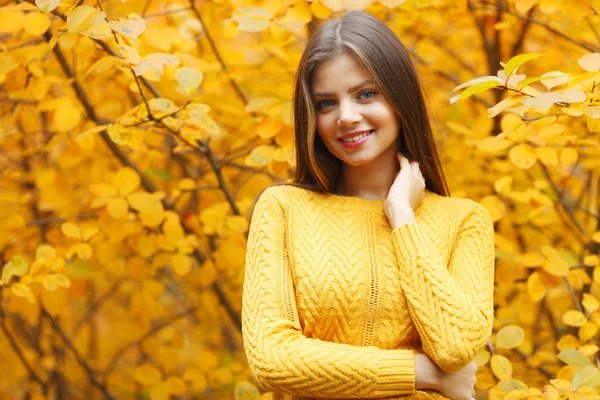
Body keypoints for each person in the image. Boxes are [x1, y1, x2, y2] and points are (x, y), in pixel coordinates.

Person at [241, 10, 495, 400]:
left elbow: (455, 346)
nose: (346, 117)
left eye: (365, 94)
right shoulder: (284, 209)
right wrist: (422, 373)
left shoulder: (465, 221)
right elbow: (271, 359)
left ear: (400, 98)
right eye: (326, 103)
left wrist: (404, 219)